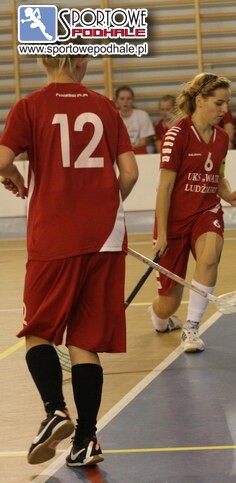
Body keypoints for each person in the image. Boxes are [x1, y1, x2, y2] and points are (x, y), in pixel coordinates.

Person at [0, 45, 138, 467]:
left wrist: (12, 173)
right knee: (85, 340)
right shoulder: (105, 107)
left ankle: (54, 411)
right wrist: (103, 206)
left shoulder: (30, 107)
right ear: (81, 61)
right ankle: (86, 440)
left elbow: (1, 159)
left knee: (38, 331)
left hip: (55, 235)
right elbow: (130, 172)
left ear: (43, 60)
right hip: (106, 237)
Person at [148, 72, 236, 353]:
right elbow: (164, 188)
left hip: (206, 211)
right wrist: (162, 234)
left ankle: (191, 328)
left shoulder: (222, 138)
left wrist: (228, 195)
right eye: (219, 103)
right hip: (174, 221)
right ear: (200, 100)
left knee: (209, 258)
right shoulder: (176, 136)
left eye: (227, 103)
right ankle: (159, 318)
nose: (224, 109)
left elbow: (218, 176)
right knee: (168, 304)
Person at [115, 85, 155, 154]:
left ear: (133, 100)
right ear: (116, 100)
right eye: (122, 99)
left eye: (128, 99)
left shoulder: (142, 115)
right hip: (120, 152)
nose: (125, 101)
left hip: (138, 150)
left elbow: (144, 141)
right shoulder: (113, 117)